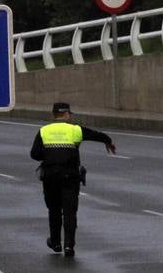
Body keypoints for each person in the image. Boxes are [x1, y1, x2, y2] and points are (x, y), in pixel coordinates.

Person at [30, 102, 116, 258]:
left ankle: (55, 243)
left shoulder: (44, 131)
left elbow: (34, 154)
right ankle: (69, 246)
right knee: (70, 212)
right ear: (67, 114)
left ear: (54, 114)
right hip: (70, 176)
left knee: (54, 210)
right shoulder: (75, 130)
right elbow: (96, 135)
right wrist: (108, 141)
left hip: (50, 177)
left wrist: (49, 155)